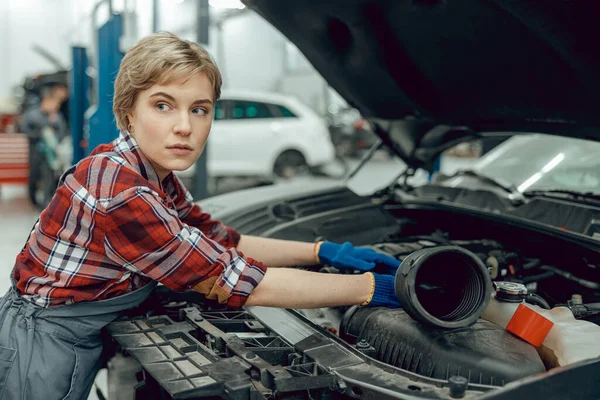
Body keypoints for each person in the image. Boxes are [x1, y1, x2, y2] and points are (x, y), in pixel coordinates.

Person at [0, 32, 401, 400]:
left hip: (70, 327)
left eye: (200, 109)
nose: (184, 126)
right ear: (128, 113)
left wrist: (323, 251)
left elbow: (219, 238)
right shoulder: (121, 193)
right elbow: (237, 281)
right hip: (45, 342)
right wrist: (373, 289)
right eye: (163, 105)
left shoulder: (148, 171)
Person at [20, 83, 69, 207]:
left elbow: (62, 132)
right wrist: (41, 133)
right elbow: (25, 128)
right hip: (35, 149)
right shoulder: (32, 114)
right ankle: (33, 200)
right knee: (34, 175)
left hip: (50, 153)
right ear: (46, 101)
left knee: (49, 176)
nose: (55, 107)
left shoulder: (56, 117)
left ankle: (46, 202)